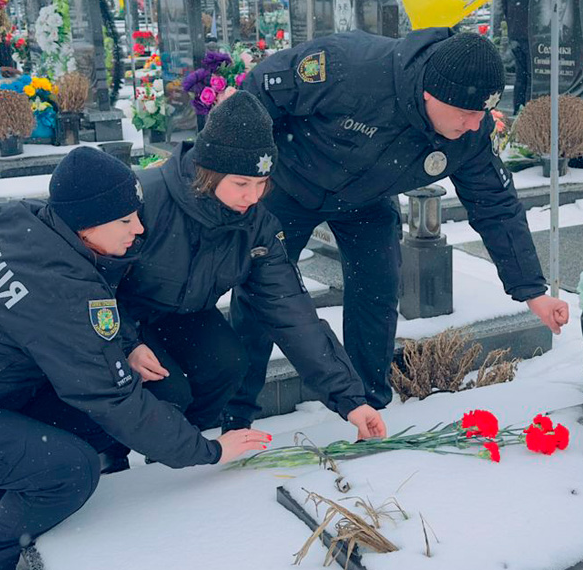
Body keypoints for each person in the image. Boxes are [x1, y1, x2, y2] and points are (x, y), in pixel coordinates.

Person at [0, 147, 272, 570]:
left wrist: (123, 342)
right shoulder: (59, 287)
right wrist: (207, 450)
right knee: (71, 469)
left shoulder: (24, 225)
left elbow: (62, 314)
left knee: (145, 396)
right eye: (125, 221)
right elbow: (109, 392)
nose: (139, 229)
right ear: (86, 223)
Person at [224, 30, 570, 431]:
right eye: (466, 113)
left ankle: (368, 403)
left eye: (483, 113)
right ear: (431, 94)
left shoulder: (470, 134)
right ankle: (236, 413)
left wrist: (531, 290)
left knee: (378, 288)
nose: (476, 124)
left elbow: (496, 204)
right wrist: (245, 180)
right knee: (261, 292)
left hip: (367, 199)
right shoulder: (347, 66)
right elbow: (258, 98)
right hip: (291, 184)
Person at [118, 91, 386, 441]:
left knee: (228, 365)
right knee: (170, 390)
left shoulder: (257, 227)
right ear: (208, 172)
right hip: (118, 314)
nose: (253, 197)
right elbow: (88, 283)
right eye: (241, 184)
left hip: (183, 313)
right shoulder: (147, 200)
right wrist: (125, 343)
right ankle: (119, 456)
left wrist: (350, 401)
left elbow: (290, 311)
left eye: (262, 184)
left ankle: (182, 451)